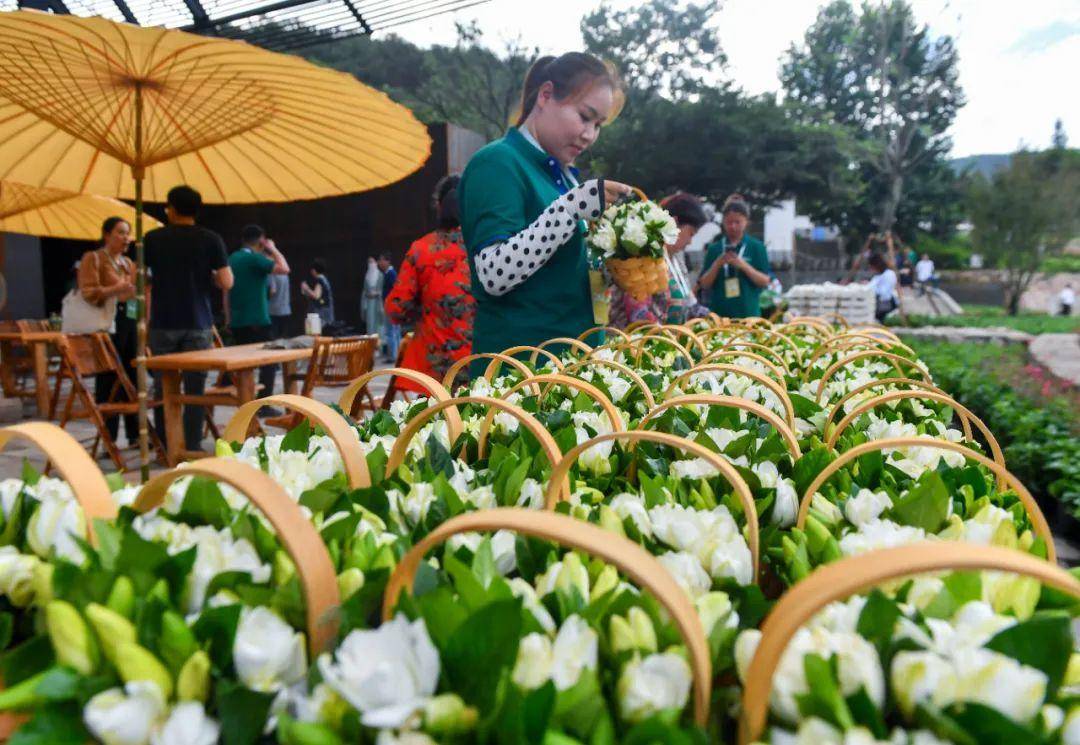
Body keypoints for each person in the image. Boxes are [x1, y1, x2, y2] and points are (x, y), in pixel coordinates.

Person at [459, 52, 633, 360]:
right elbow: (494, 273)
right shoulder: (498, 162)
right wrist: (569, 210)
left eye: (598, 124)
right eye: (584, 116)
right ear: (546, 95)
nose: (589, 135)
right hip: (521, 379)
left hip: (570, 371)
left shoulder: (563, 177)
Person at [144, 185, 233, 453]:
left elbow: (140, 278)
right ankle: (192, 442)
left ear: (170, 209)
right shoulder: (211, 239)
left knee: (163, 386)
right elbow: (226, 281)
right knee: (195, 387)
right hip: (198, 321)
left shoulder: (152, 239)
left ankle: (165, 442)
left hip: (163, 321)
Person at [384, 175, 476, 388]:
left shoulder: (421, 250)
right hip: (481, 367)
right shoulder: (482, 246)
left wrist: (423, 309)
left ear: (438, 205)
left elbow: (395, 308)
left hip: (433, 373)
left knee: (433, 420)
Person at [76, 216, 137, 445]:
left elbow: (132, 297)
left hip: (127, 322)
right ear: (107, 234)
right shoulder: (94, 259)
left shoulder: (128, 263)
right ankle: (108, 437)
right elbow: (88, 292)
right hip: (105, 324)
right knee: (109, 379)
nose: (125, 238)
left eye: (127, 233)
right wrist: (116, 289)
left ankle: (134, 435)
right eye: (120, 232)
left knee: (132, 376)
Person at [611, 191, 710, 327]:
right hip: (638, 341)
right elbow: (638, 313)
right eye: (691, 234)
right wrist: (664, 335)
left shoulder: (676, 260)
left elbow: (690, 303)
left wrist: (711, 321)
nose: (690, 242)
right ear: (674, 223)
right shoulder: (643, 255)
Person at [227, 224, 289, 403]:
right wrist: (273, 248)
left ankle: (245, 402)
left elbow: (226, 291)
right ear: (261, 241)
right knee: (268, 363)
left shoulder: (232, 258)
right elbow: (284, 269)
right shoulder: (255, 259)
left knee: (244, 365)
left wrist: (228, 318)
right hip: (257, 318)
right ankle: (264, 403)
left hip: (238, 320)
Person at [697, 193, 771, 318]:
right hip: (720, 315)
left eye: (738, 222)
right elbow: (704, 284)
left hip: (749, 315)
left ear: (746, 221)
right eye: (729, 222)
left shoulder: (757, 247)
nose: (733, 226)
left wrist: (743, 265)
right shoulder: (714, 248)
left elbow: (764, 281)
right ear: (723, 222)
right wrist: (718, 264)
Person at [377, 252, 401, 362]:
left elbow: (394, 290)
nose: (380, 263)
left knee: (391, 332)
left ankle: (393, 356)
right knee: (394, 331)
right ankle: (396, 354)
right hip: (391, 305)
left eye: (382, 260)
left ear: (387, 261)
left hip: (391, 306)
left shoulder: (391, 274)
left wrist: (389, 303)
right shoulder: (388, 273)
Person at [301, 259, 334, 327]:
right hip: (325, 309)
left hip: (322, 311)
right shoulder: (324, 279)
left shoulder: (320, 280)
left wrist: (306, 288)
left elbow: (316, 296)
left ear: (314, 270)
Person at [867, 253, 899, 322]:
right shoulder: (877, 276)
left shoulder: (889, 274)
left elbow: (884, 292)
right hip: (878, 303)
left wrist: (871, 288)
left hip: (885, 304)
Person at [360, 257, 383, 336]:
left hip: (378, 303)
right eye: (369, 262)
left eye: (372, 262)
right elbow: (364, 291)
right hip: (369, 303)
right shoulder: (367, 276)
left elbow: (382, 290)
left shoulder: (380, 275)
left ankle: (378, 345)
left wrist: (377, 293)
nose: (371, 264)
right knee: (370, 323)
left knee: (378, 325)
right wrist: (367, 295)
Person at [268, 267, 291, 341]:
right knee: (283, 339)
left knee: (274, 339)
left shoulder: (272, 275)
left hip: (274, 310)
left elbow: (272, 291)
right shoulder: (285, 275)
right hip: (286, 310)